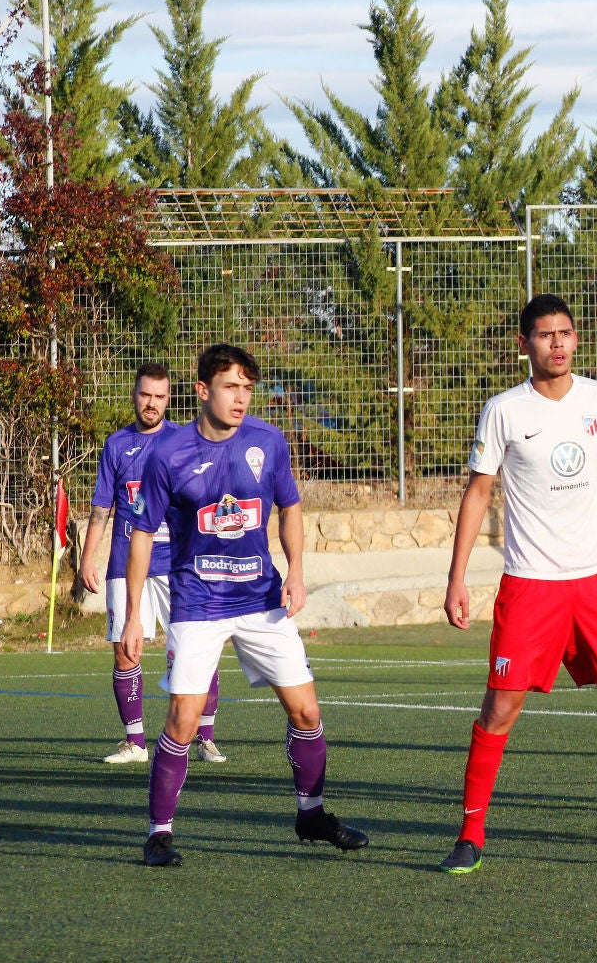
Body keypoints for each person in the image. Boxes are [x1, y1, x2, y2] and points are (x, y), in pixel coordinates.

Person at [439, 294, 597, 874]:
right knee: (500, 707)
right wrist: (456, 578)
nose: (557, 344)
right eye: (546, 334)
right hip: (531, 586)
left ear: (575, 339)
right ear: (523, 344)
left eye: (566, 333)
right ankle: (470, 835)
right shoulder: (504, 409)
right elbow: (478, 492)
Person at [124, 344, 368, 867]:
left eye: (247, 388)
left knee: (306, 710)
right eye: (230, 386)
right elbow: (142, 533)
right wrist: (132, 616)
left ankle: (311, 813)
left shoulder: (267, 441)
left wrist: (297, 573)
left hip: (260, 597)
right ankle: (159, 834)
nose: (240, 398)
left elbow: (291, 507)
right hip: (197, 600)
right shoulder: (167, 455)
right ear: (202, 390)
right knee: (183, 720)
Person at [81, 363, 225, 765]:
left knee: (196, 650)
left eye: (160, 396)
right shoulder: (116, 445)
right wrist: (88, 557)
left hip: (178, 565)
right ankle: (135, 743)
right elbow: (101, 507)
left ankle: (205, 738)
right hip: (125, 564)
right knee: (126, 651)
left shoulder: (185, 441)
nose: (152, 403)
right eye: (145, 394)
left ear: (168, 399)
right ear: (135, 394)